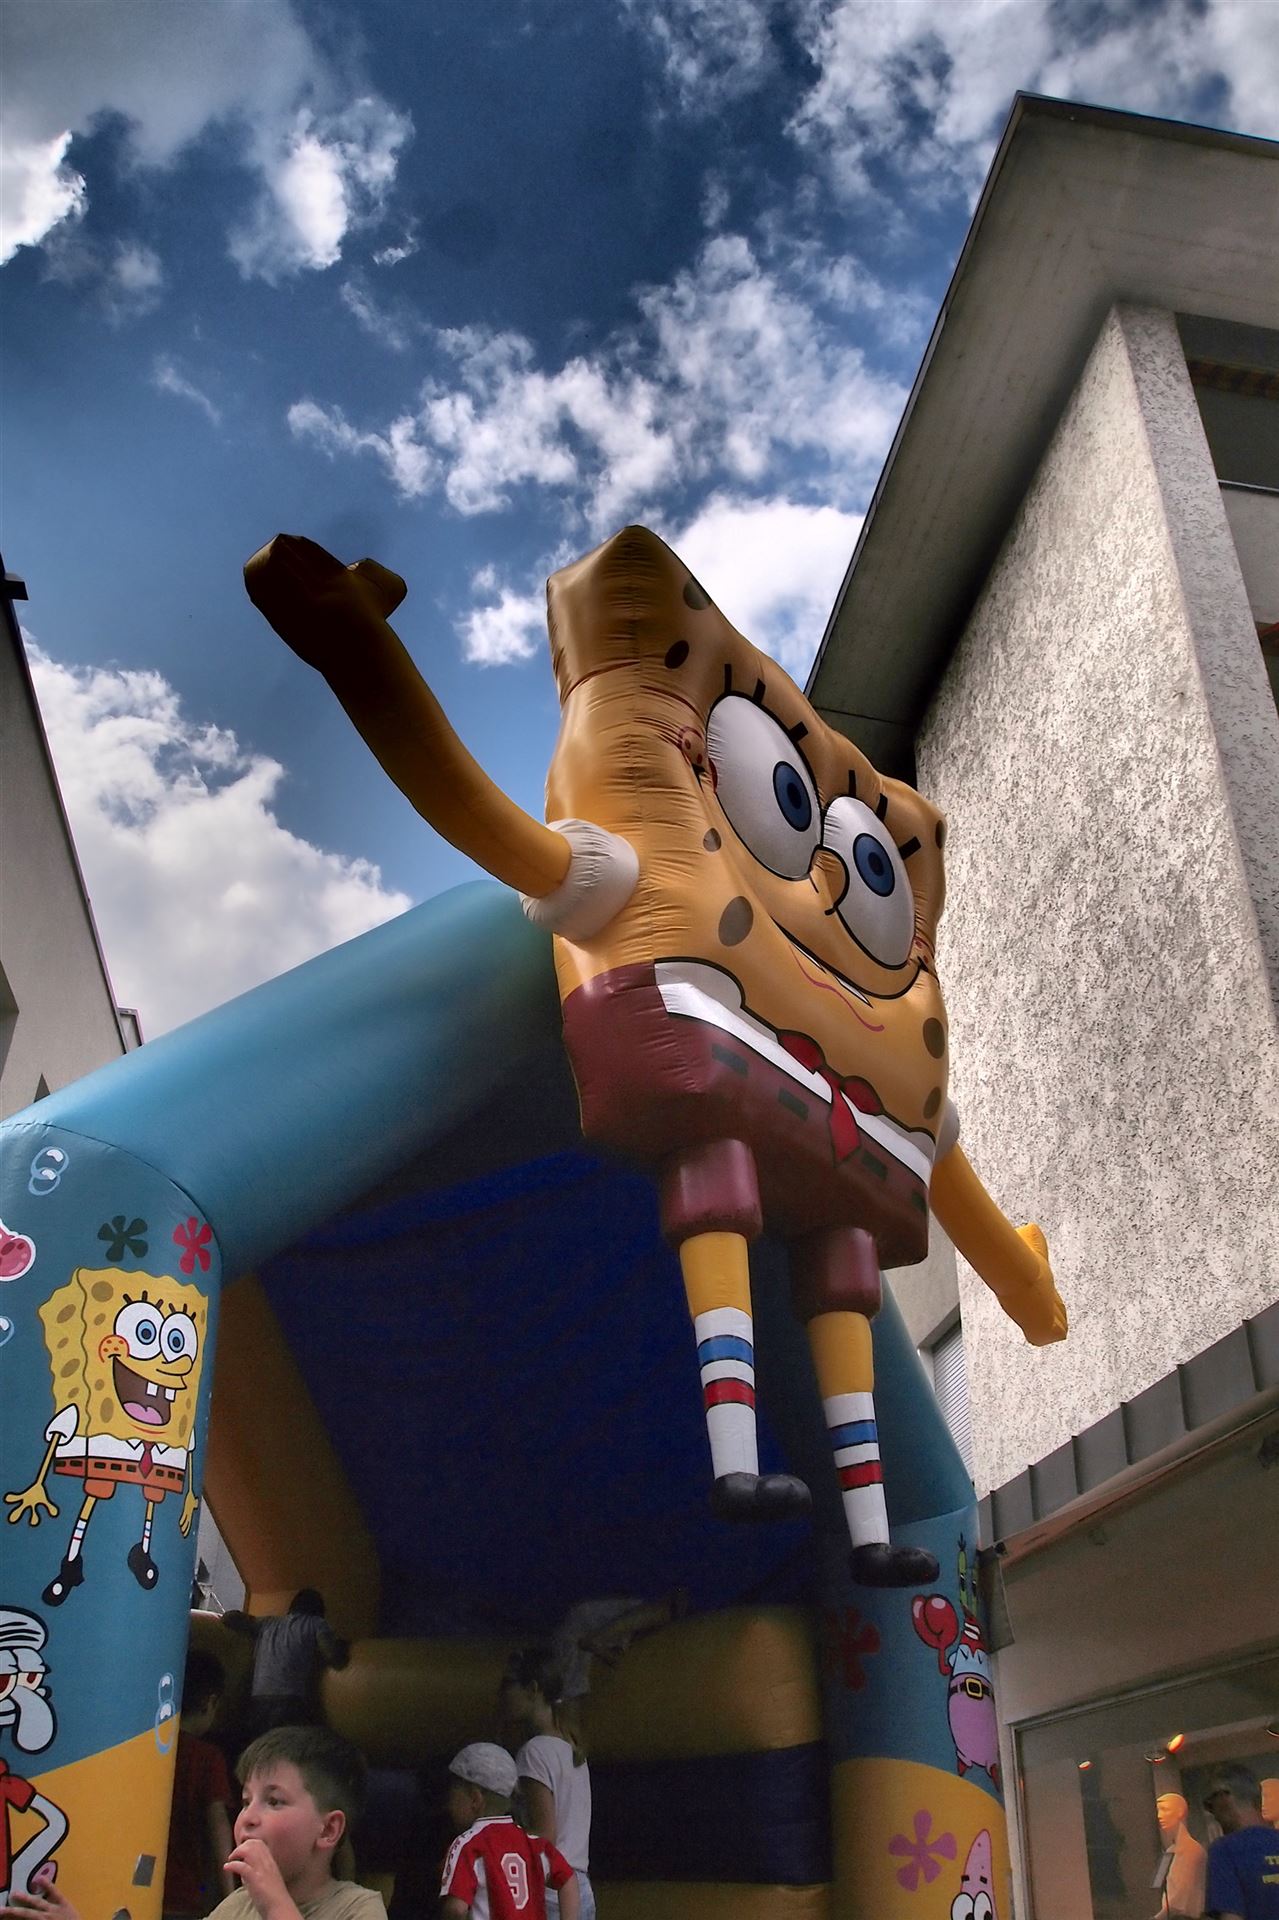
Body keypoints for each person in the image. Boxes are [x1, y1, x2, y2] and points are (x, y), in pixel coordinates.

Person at [210, 1724, 385, 1920]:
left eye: (274, 1801)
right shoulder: (236, 1905)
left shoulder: (359, 1907)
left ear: (328, 1830)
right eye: (246, 1802)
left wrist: (275, 1904)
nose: (247, 1817)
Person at [499, 1651, 593, 1920]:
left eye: (508, 1684)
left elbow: (543, 1835)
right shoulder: (572, 1748)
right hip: (580, 1888)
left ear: (532, 1689)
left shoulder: (534, 1752)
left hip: (550, 1891)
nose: (502, 1694)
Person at [440, 1743, 578, 1920]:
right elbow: (568, 1880)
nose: (448, 1806)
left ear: (475, 1798)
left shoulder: (467, 1844)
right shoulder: (533, 1843)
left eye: (452, 1796)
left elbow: (457, 1909)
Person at [163, 1648, 236, 1917]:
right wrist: (230, 1895)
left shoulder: (149, 1751)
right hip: (185, 1894)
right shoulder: (207, 1757)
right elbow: (218, 1825)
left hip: (139, 1886)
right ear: (209, 1702)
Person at [248, 1592, 348, 1733]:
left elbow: (233, 1618)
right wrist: (342, 1645)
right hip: (289, 1701)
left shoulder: (268, 1623)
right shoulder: (316, 1623)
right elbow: (334, 1658)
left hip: (258, 1699)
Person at [1203, 1765, 1279, 1919]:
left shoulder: (1224, 1850)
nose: (1214, 1815)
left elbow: (1231, 1917)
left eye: (1210, 1805)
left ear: (1223, 1797)